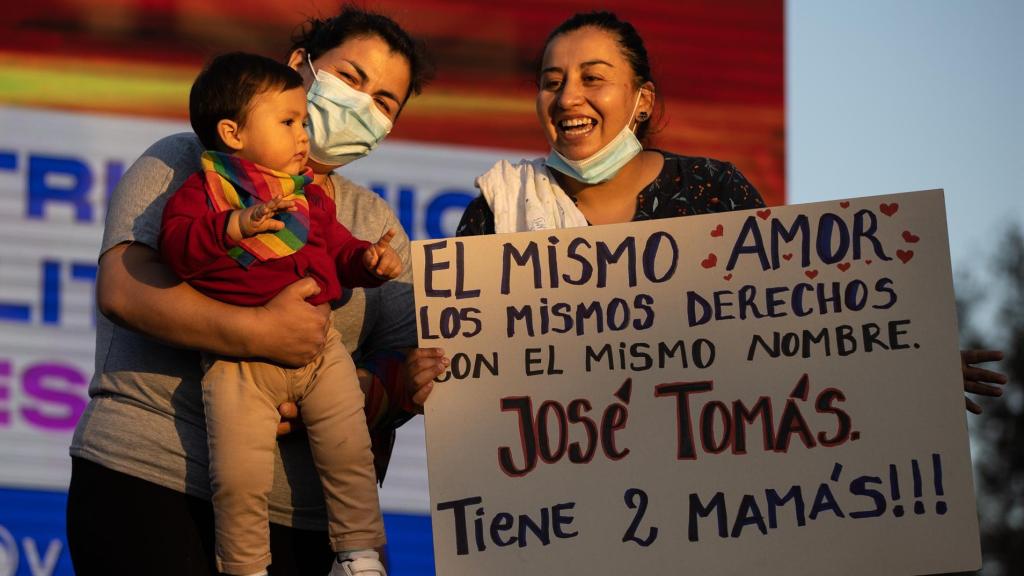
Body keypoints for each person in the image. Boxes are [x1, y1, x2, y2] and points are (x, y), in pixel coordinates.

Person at [439, 11, 1006, 411]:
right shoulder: (498, 210)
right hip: (557, 519)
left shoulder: (712, 190)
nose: (567, 99)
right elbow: (467, 383)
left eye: (593, 79)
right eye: (551, 82)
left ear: (643, 101)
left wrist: (905, 362)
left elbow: (792, 335)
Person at [67, 7, 439, 576]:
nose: (361, 105)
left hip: (302, 516)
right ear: (299, 65)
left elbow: (400, 363)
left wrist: (330, 396)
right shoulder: (183, 160)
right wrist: (261, 334)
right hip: (148, 478)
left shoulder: (371, 216)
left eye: (384, 103)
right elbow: (122, 287)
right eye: (351, 78)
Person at [159, 52, 403, 576]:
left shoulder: (309, 196)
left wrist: (367, 261)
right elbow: (177, 249)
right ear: (233, 132)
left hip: (322, 352)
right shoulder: (202, 191)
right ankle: (244, 566)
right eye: (289, 122)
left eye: (304, 122)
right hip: (238, 365)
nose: (303, 135)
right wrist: (233, 225)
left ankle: (359, 554)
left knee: (349, 451)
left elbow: (337, 249)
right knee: (239, 474)